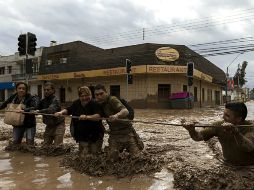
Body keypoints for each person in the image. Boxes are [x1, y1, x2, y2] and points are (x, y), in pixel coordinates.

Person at [183, 102, 254, 166]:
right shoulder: (219, 125)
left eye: (227, 115)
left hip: (248, 166)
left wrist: (235, 132)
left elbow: (249, 147)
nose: (223, 117)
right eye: (224, 114)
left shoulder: (251, 128)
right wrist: (191, 130)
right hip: (228, 164)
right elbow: (198, 137)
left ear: (238, 119)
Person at [94, 84, 143, 161]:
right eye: (97, 95)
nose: (99, 96)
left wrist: (116, 116)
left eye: (101, 94)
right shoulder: (98, 104)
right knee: (112, 160)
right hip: (114, 134)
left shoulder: (112, 99)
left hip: (127, 133)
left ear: (106, 92)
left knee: (138, 159)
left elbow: (125, 111)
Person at [55, 86, 104, 157]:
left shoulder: (95, 103)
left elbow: (98, 116)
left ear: (90, 95)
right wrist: (61, 112)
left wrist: (87, 117)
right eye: (82, 96)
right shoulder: (76, 103)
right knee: (83, 156)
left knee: (94, 156)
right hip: (81, 136)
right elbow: (68, 110)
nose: (84, 98)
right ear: (79, 96)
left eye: (86, 95)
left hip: (95, 136)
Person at [35, 82, 65, 147]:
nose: (46, 91)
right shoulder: (43, 101)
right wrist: (25, 110)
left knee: (58, 147)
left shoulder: (56, 100)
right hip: (49, 125)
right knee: (45, 146)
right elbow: (36, 108)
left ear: (53, 90)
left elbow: (50, 110)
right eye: (45, 90)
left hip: (59, 125)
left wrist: (39, 111)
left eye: (48, 90)